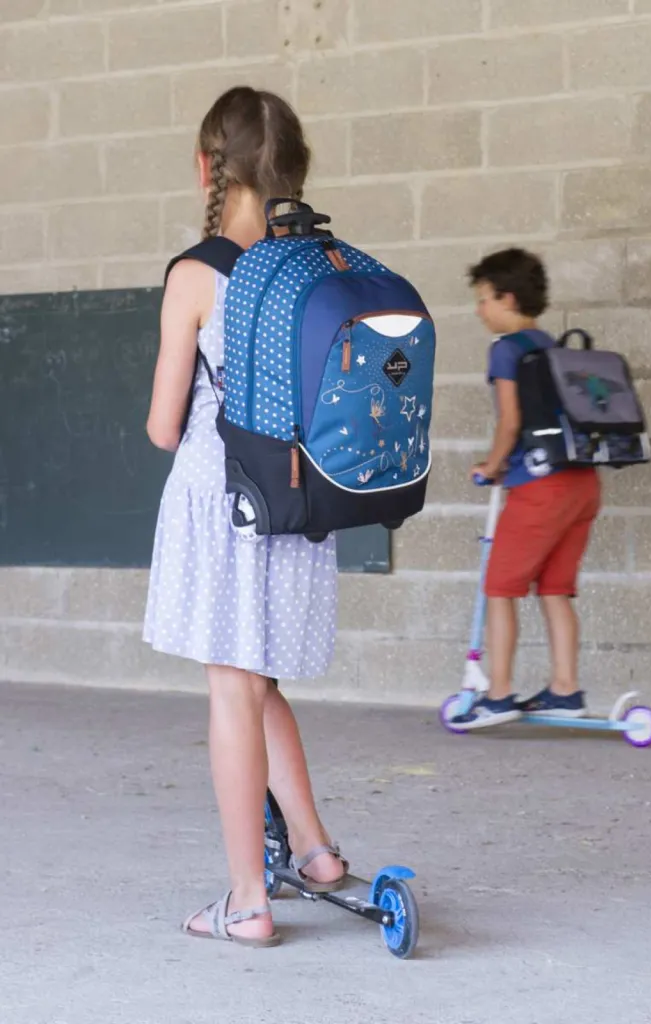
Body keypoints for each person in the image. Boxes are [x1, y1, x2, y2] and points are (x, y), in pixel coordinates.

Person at [143, 87, 347, 948]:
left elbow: (162, 426)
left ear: (206, 166)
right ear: (294, 173)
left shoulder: (197, 274)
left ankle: (246, 902)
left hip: (222, 504)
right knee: (260, 683)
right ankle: (316, 852)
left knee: (232, 687)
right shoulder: (319, 268)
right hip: (301, 503)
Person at [451, 248, 601, 731]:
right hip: (582, 485)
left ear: (507, 298)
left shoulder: (507, 349)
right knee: (554, 590)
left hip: (540, 490)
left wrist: (492, 466)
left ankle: (497, 696)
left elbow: (511, 421)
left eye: (483, 300)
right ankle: (565, 689)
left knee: (500, 589)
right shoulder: (554, 347)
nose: (479, 310)